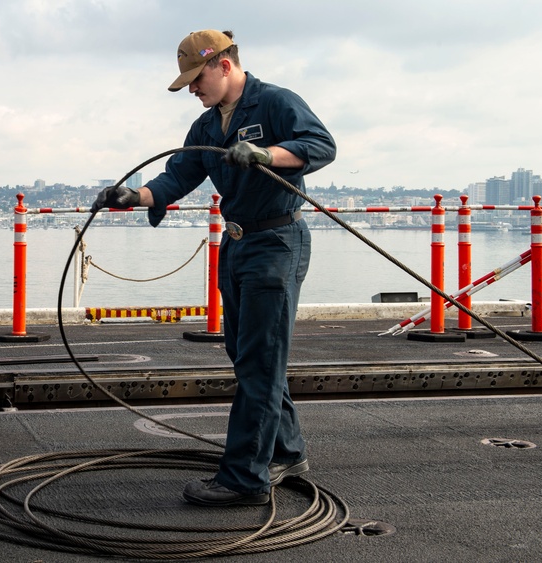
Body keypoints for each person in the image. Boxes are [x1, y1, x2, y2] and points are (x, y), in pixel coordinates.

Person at [93, 29, 336, 506]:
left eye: (195, 78)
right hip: (238, 243)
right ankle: (286, 452)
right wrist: (133, 196)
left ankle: (245, 478)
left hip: (276, 242)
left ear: (224, 65)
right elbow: (178, 175)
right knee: (249, 355)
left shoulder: (276, 102)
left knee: (260, 361)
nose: (191, 89)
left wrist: (266, 154)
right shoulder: (207, 126)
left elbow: (320, 145)